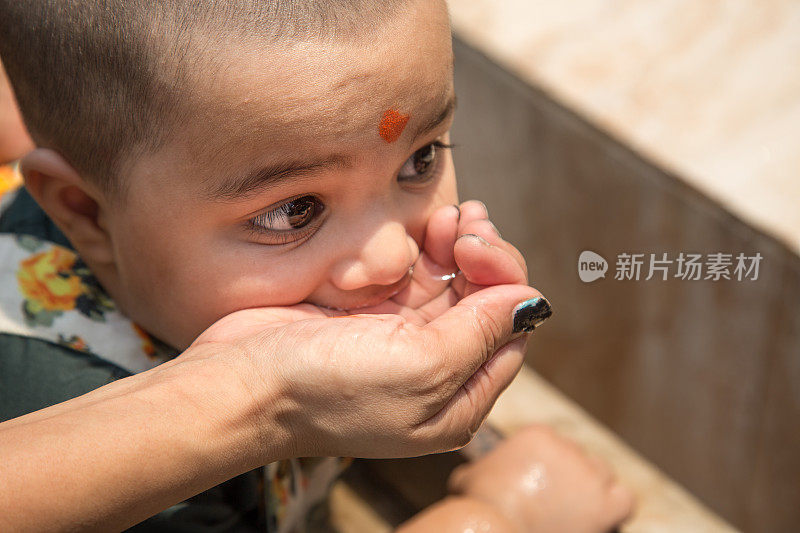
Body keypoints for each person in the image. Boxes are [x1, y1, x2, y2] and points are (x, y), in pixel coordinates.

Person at [0, 1, 631, 531]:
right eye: (293, 210)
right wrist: (497, 517)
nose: (394, 256)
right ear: (85, 211)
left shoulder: (165, 184)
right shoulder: (109, 473)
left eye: (421, 158)